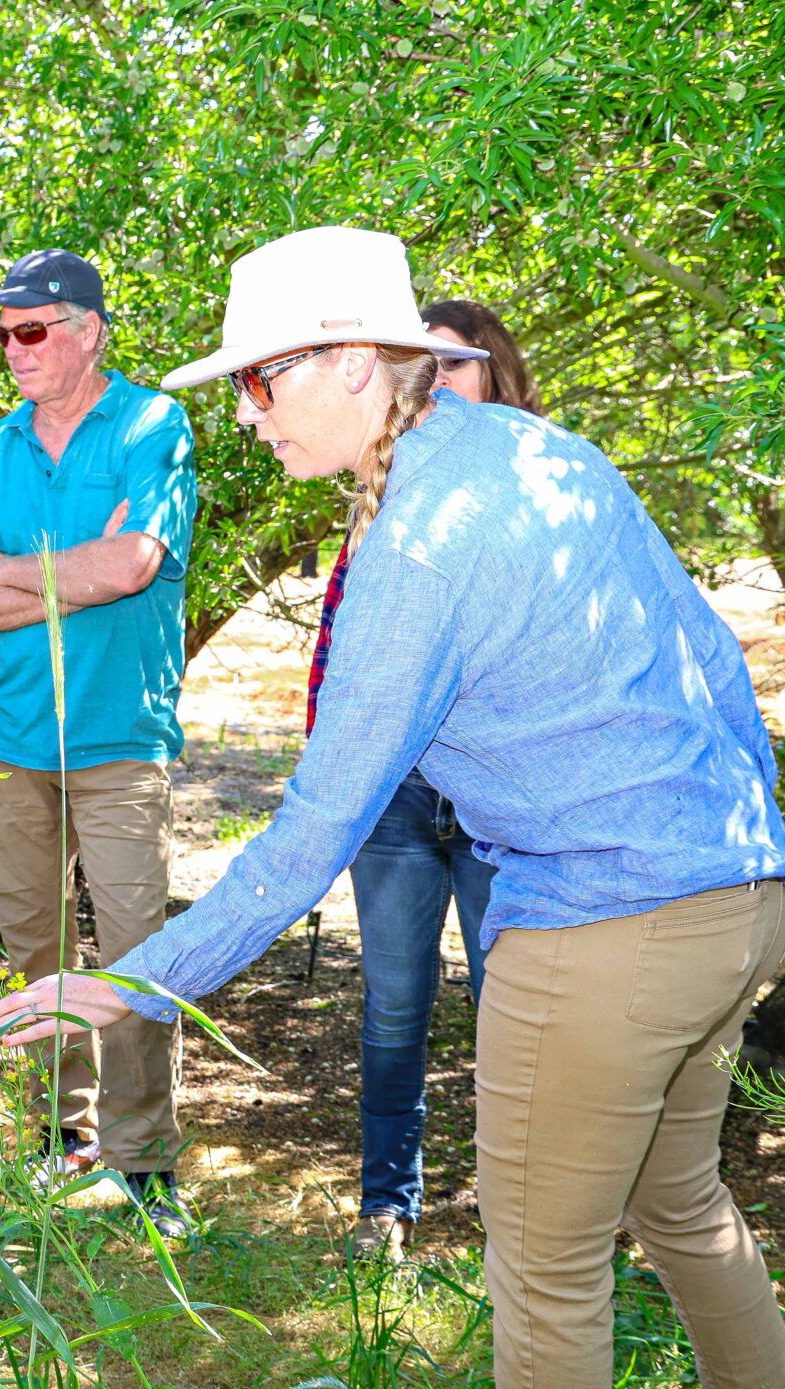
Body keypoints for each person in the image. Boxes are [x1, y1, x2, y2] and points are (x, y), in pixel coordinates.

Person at [0, 226, 785, 1389]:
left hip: (606, 917)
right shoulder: (540, 453)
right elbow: (701, 651)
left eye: (264, 381)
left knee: (543, 1250)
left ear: (367, 365)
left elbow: (313, 828)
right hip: (729, 891)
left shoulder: (422, 541)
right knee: (674, 1195)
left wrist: (130, 979)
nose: (247, 414)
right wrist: (749, 854)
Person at [0, 249, 197, 1233]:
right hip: (5, 738)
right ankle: (64, 1135)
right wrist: (55, 572)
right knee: (33, 946)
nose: (12, 349)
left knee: (133, 957)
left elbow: (131, 566)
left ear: (88, 331)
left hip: (118, 736)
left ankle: (145, 1164)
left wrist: (13, 569)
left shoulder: (151, 424)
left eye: (31, 330)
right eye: (2, 333)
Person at [337, 298, 548, 1265]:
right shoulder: (379, 492)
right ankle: (389, 1205)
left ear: (497, 376)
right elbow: (346, 657)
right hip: (399, 802)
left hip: (506, 805)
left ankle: (533, 1215)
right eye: (418, 365)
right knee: (391, 1004)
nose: (434, 381)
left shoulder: (547, 491)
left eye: (454, 364)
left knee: (513, 1007)